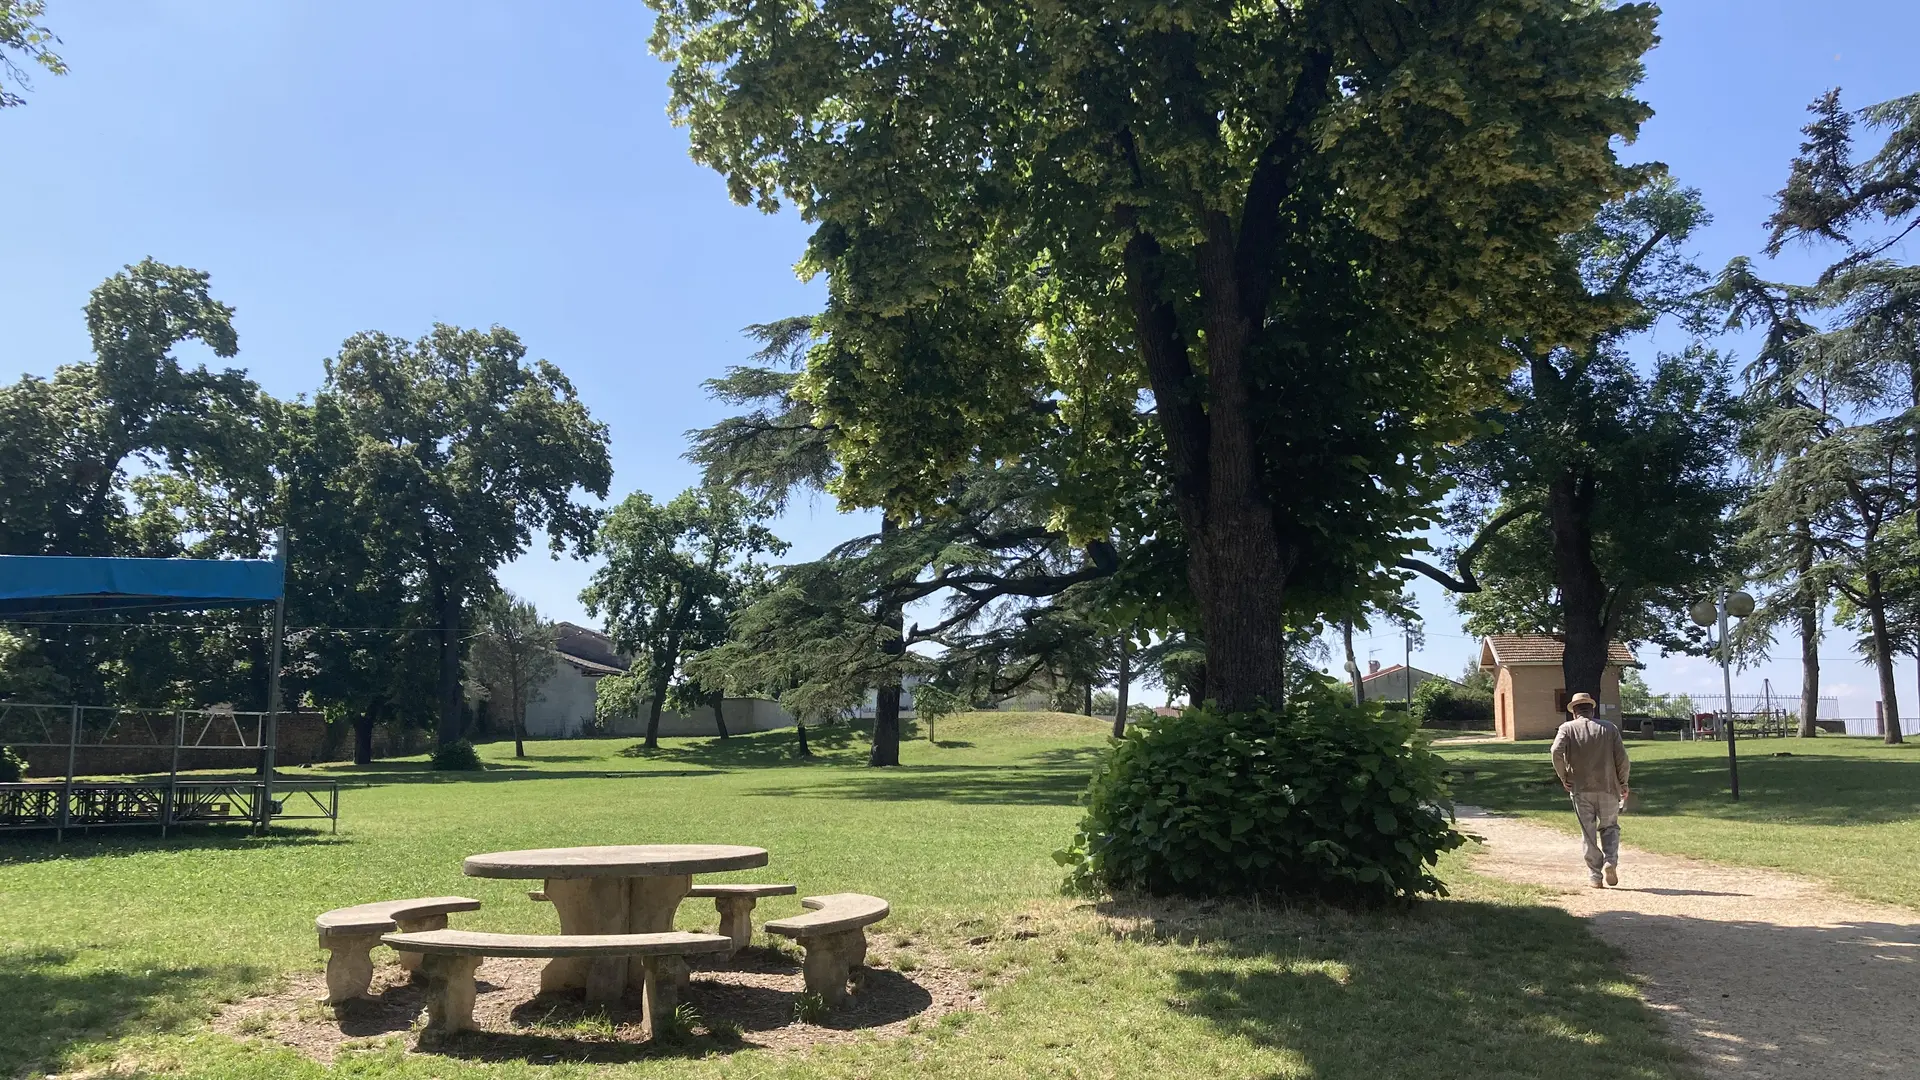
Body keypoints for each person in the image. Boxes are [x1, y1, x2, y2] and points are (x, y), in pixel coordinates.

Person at [1550, 692, 1631, 888]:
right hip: (1608, 787)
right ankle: (1610, 861)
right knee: (1610, 827)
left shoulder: (1567, 728)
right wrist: (1624, 782)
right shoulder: (1609, 728)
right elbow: (1622, 758)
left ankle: (1595, 875)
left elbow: (1555, 752)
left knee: (1588, 832)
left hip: (1580, 788)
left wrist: (1564, 776)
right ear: (1592, 709)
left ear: (1574, 712)